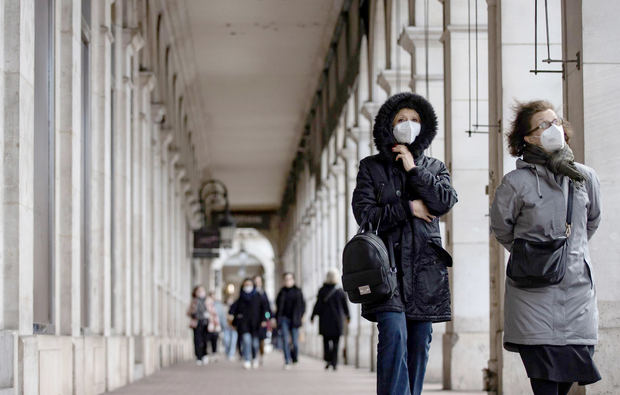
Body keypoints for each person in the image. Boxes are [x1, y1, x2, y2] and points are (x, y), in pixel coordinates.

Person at [490, 100, 602, 395]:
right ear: (528, 137)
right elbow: (502, 228)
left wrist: (568, 253)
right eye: (543, 125)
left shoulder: (585, 177)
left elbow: (591, 222)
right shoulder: (515, 183)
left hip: (577, 293)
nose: (553, 128)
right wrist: (535, 255)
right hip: (532, 293)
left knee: (566, 380)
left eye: (556, 122)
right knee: (545, 382)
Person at [351, 92, 457, 395]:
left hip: (424, 270)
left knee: (420, 343)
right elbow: (365, 215)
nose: (408, 125)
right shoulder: (371, 167)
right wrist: (408, 208)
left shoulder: (434, 168)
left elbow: (444, 201)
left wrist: (414, 170)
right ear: (388, 125)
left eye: (414, 120)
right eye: (401, 120)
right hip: (385, 268)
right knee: (393, 336)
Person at [311, 268, 350, 371]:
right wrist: (348, 316)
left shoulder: (322, 290)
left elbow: (318, 305)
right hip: (337, 321)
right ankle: (334, 362)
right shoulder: (340, 291)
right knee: (336, 343)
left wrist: (313, 315)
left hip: (325, 321)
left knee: (326, 342)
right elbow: (345, 306)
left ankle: (328, 360)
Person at [229, 278, 268, 369]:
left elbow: (265, 310)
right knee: (246, 341)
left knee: (255, 343)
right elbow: (234, 309)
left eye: (249, 284)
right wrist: (234, 320)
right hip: (244, 324)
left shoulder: (259, 296)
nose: (248, 287)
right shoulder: (240, 298)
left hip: (256, 324)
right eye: (246, 285)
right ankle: (247, 359)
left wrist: (265, 319)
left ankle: (254, 358)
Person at [275, 272, 306, 370]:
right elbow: (278, 306)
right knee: (285, 339)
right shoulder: (281, 292)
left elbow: (303, 305)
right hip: (284, 318)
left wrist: (301, 316)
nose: (288, 281)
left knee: (295, 342)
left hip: (295, 319)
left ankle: (295, 357)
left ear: (293, 280)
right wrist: (277, 319)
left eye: (289, 279)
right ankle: (287, 360)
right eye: (286, 279)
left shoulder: (298, 291)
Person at [187, 285, 210, 366]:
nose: (201, 293)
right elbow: (188, 312)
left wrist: (209, 315)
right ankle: (198, 357)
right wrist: (194, 313)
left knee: (205, 340)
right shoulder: (194, 301)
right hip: (197, 323)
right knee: (197, 340)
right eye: (199, 291)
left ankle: (204, 354)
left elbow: (213, 312)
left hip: (206, 323)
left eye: (202, 290)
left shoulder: (207, 301)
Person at [253, 275, 272, 365]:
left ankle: (261, 355)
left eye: (259, 281)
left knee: (262, 339)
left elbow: (267, 308)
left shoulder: (264, 293)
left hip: (262, 320)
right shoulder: (251, 293)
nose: (257, 283)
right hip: (253, 320)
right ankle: (254, 356)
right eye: (256, 281)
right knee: (254, 339)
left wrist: (267, 319)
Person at [205, 291, 222, 360]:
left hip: (214, 324)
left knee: (214, 339)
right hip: (209, 323)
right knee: (208, 339)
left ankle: (213, 353)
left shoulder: (216, 304)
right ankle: (208, 353)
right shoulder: (207, 303)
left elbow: (218, 315)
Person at [222, 294, 238, 361]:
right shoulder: (224, 307)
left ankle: (231, 354)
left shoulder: (236, 307)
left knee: (233, 341)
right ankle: (227, 352)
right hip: (226, 327)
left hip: (234, 327)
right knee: (226, 340)